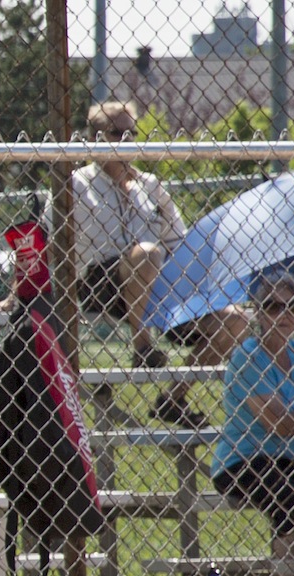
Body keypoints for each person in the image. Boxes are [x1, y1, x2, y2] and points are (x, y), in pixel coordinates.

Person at [70, 101, 246, 429]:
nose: (126, 140)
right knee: (147, 253)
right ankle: (143, 345)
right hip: (102, 283)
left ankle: (172, 399)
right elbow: (47, 242)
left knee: (235, 320)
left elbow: (181, 245)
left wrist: (206, 290)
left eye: (131, 133)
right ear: (95, 138)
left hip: (156, 285)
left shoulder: (150, 185)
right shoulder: (77, 184)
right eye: (116, 133)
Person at [210, 273, 294, 576]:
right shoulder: (248, 356)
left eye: (293, 306)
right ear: (257, 312)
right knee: (293, 495)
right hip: (245, 459)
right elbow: (280, 423)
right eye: (273, 307)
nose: (285, 314)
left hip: (293, 460)